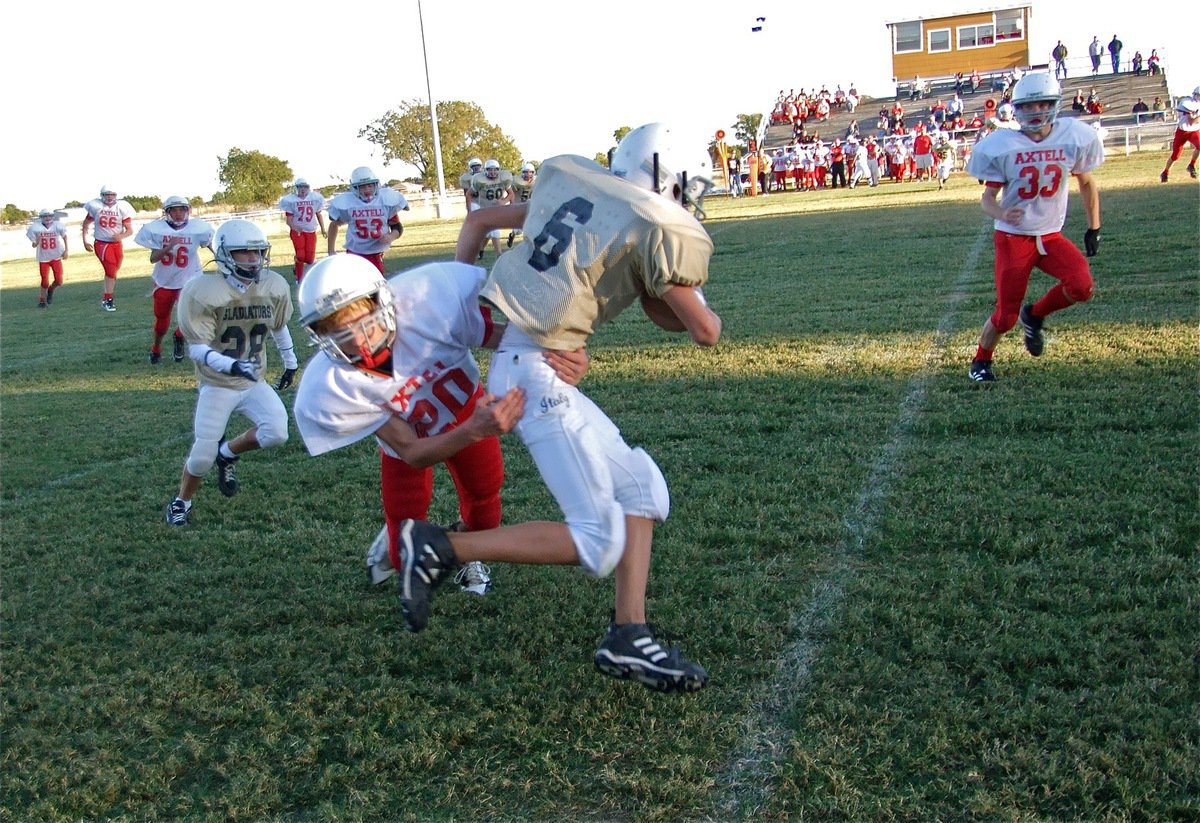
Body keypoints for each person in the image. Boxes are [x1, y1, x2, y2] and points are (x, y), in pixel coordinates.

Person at [394, 123, 722, 693]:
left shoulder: (575, 182)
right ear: (669, 179)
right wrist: (690, 292)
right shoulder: (651, 221)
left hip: (533, 362)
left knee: (643, 490)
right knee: (598, 541)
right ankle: (441, 546)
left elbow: (476, 222)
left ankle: (629, 635)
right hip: (535, 378)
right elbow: (704, 330)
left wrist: (473, 304)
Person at [291, 254, 590, 594]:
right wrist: (474, 430)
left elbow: (511, 339)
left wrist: (563, 352)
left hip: (465, 411)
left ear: (384, 302)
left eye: (364, 324)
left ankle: (468, 553)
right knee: (403, 554)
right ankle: (397, 543)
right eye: (340, 335)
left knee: (485, 509)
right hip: (415, 443)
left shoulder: (427, 302)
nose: (359, 343)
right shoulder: (333, 384)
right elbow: (412, 453)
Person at [964, 73, 1103, 383]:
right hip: (1014, 239)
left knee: (1081, 286)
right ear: (1017, 109)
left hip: (1051, 235)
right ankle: (980, 362)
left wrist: (1094, 227)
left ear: (1055, 105)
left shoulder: (1071, 136)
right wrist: (1002, 211)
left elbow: (1087, 182)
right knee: (1005, 315)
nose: (1037, 111)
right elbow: (987, 200)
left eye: (1043, 104)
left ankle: (1036, 314)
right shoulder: (1004, 145)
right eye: (1029, 106)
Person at [164, 219, 299, 526]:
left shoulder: (273, 286)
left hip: (253, 382)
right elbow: (197, 348)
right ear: (225, 254)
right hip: (218, 384)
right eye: (244, 253)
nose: (254, 260)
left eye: (257, 252)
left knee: (277, 433)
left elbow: (278, 326)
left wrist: (290, 361)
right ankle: (181, 502)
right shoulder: (203, 291)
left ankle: (228, 452)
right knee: (200, 457)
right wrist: (231, 365)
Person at [134, 196, 214, 364]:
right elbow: (153, 258)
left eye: (182, 209)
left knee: (192, 316)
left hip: (190, 278)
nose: (178, 213)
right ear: (167, 212)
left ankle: (179, 336)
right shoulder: (158, 230)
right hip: (164, 281)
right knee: (162, 321)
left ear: (188, 210)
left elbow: (211, 245)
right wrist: (169, 246)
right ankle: (156, 348)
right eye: (174, 210)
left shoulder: (198, 228)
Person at [327, 167, 408, 274]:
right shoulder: (349, 203)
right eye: (363, 187)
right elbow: (334, 224)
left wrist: (391, 237)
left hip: (376, 252)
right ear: (355, 188)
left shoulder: (384, 200)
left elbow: (397, 226)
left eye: (370, 185)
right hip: (355, 251)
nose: (367, 190)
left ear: (376, 185)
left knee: (376, 283)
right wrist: (331, 250)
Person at [81, 185, 134, 311]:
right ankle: (109, 300)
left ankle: (105, 299)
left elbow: (130, 230)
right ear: (102, 195)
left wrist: (121, 235)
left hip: (117, 244)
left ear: (116, 195)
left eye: (112, 194)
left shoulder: (122, 207)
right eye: (107, 194)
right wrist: (84, 240)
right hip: (102, 243)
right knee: (111, 272)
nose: (109, 197)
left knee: (113, 273)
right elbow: (86, 223)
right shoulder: (96, 206)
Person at [279, 178, 327, 283]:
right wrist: (295, 227)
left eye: (305, 187)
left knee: (310, 259)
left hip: (311, 230)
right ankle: (299, 278)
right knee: (300, 256)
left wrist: (323, 229)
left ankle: (296, 268)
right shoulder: (291, 200)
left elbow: (318, 214)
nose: (303, 189)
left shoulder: (315, 198)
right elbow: (288, 220)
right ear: (296, 188)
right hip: (297, 231)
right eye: (301, 187)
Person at [469, 159, 514, 257]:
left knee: (490, 233)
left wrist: (504, 201)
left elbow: (511, 194)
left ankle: (480, 249)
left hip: (497, 209)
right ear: (485, 170)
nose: (493, 172)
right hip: (484, 208)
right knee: (495, 231)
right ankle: (499, 255)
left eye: (495, 169)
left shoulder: (502, 179)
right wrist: (469, 210)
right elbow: (468, 193)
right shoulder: (480, 180)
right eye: (490, 170)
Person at [27, 209, 68, 308]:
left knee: (59, 281)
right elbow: (34, 245)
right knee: (44, 281)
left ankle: (51, 290)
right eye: (45, 216)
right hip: (43, 257)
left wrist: (66, 250)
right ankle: (42, 300)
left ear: (52, 216)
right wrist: (37, 241)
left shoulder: (57, 225)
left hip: (56, 256)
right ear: (41, 217)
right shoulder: (35, 228)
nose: (47, 218)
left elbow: (65, 236)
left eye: (49, 216)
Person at [1160, 86, 1200, 182]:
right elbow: (1192, 121)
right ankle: (1165, 172)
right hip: (1182, 131)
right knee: (1176, 155)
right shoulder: (1188, 103)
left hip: (1194, 130)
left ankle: (1191, 165)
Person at [506, 162, 537, 247]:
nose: (528, 174)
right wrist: (513, 206)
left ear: (533, 173)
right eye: (525, 172)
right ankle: (512, 234)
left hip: (531, 206)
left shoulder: (537, 182)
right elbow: (512, 194)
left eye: (530, 172)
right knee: (518, 231)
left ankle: (530, 244)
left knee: (532, 225)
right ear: (522, 173)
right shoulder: (516, 181)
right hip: (519, 205)